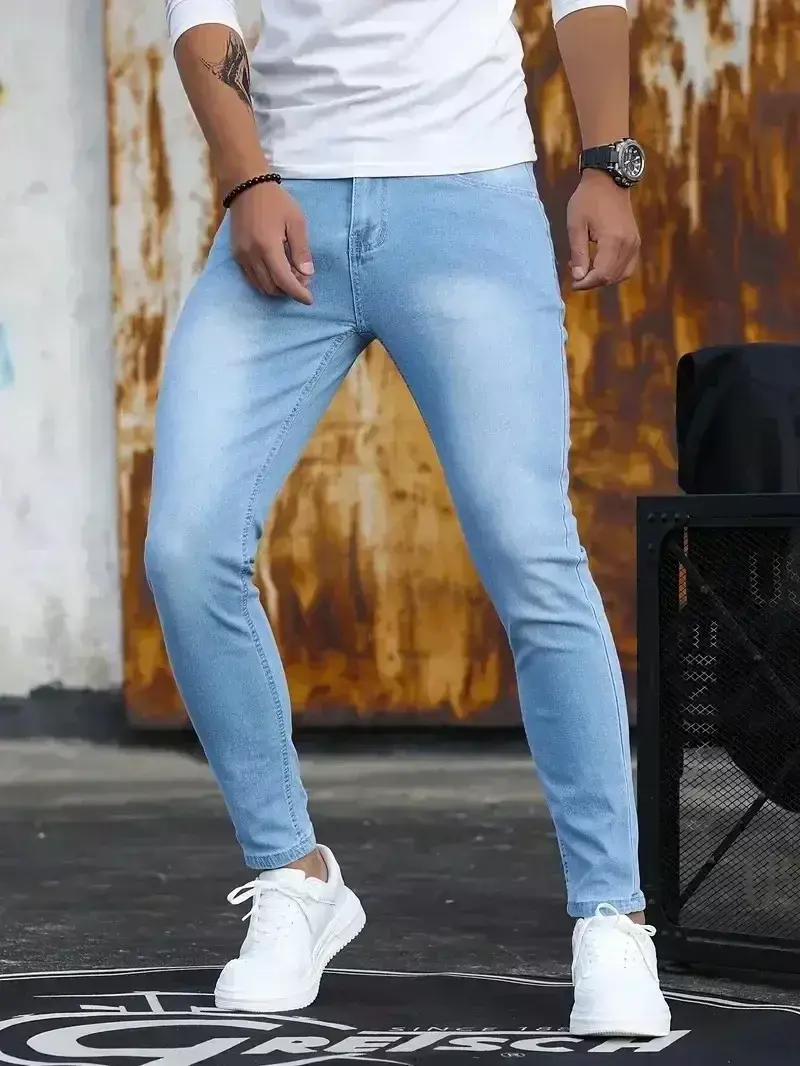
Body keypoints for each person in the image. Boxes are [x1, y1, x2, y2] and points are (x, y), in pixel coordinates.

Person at [147, 0, 670, 1037]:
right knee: (187, 548)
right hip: (286, 196)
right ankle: (295, 876)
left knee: (530, 550)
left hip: (468, 197)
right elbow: (199, 10)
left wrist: (607, 166)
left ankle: (612, 912)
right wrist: (248, 178)